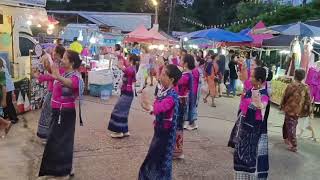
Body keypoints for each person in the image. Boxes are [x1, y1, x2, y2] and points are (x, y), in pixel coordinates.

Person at [39, 50, 84, 178]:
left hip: (65, 113)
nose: (61, 60)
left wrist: (58, 76)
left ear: (72, 62)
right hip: (57, 112)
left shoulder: (76, 76)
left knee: (62, 141)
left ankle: (64, 171)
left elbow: (72, 84)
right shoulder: (64, 72)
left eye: (64, 58)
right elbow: (52, 76)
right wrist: (40, 76)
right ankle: (60, 169)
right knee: (55, 141)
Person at [138, 64, 182, 180]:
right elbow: (158, 106)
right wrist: (149, 106)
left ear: (171, 79)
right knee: (155, 158)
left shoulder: (172, 96)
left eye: (163, 74)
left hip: (165, 136)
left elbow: (162, 107)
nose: (160, 76)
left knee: (159, 160)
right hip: (159, 132)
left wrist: (150, 107)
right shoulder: (164, 91)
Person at [234, 67, 270, 180]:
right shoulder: (251, 90)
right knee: (240, 156)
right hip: (244, 131)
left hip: (255, 133)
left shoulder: (264, 94)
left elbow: (263, 104)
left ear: (259, 81)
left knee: (253, 158)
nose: (251, 78)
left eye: (253, 77)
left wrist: (259, 104)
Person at [280, 69, 311, 152]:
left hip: (290, 109)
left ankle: (293, 145)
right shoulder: (306, 87)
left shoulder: (291, 86)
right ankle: (286, 138)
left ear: (294, 75)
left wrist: (282, 105)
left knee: (290, 126)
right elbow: (308, 100)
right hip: (298, 110)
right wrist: (308, 110)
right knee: (289, 124)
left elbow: (285, 96)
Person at [107, 54, 137, 138]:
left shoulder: (131, 69)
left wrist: (122, 67)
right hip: (127, 93)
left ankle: (118, 132)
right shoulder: (131, 68)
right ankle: (125, 130)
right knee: (124, 111)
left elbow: (128, 71)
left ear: (131, 61)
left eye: (127, 59)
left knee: (118, 110)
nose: (126, 60)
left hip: (127, 93)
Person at [173, 54, 194, 159]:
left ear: (185, 63)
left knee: (177, 125)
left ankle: (177, 151)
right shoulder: (186, 74)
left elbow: (175, 82)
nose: (179, 60)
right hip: (180, 101)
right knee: (177, 125)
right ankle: (176, 150)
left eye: (181, 59)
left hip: (181, 102)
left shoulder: (186, 76)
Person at [33, 52, 55, 142]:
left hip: (53, 93)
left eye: (44, 63)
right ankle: (46, 134)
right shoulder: (51, 69)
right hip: (50, 92)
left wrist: (40, 76)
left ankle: (47, 135)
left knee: (48, 114)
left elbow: (51, 77)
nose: (43, 66)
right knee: (47, 113)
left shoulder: (54, 69)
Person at [186, 56, 203, 130]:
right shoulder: (193, 70)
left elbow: (195, 83)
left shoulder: (194, 71)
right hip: (192, 91)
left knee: (192, 107)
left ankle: (192, 123)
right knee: (190, 107)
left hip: (193, 92)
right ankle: (191, 123)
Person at [0, 57, 18, 124]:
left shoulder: (1, 61)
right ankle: (8, 117)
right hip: (7, 86)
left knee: (8, 103)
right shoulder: (2, 59)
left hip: (7, 86)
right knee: (7, 103)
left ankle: (14, 118)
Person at [0, 69, 11, 138]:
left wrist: (4, 100)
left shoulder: (1, 73)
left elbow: (4, 87)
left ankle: (6, 123)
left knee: (1, 114)